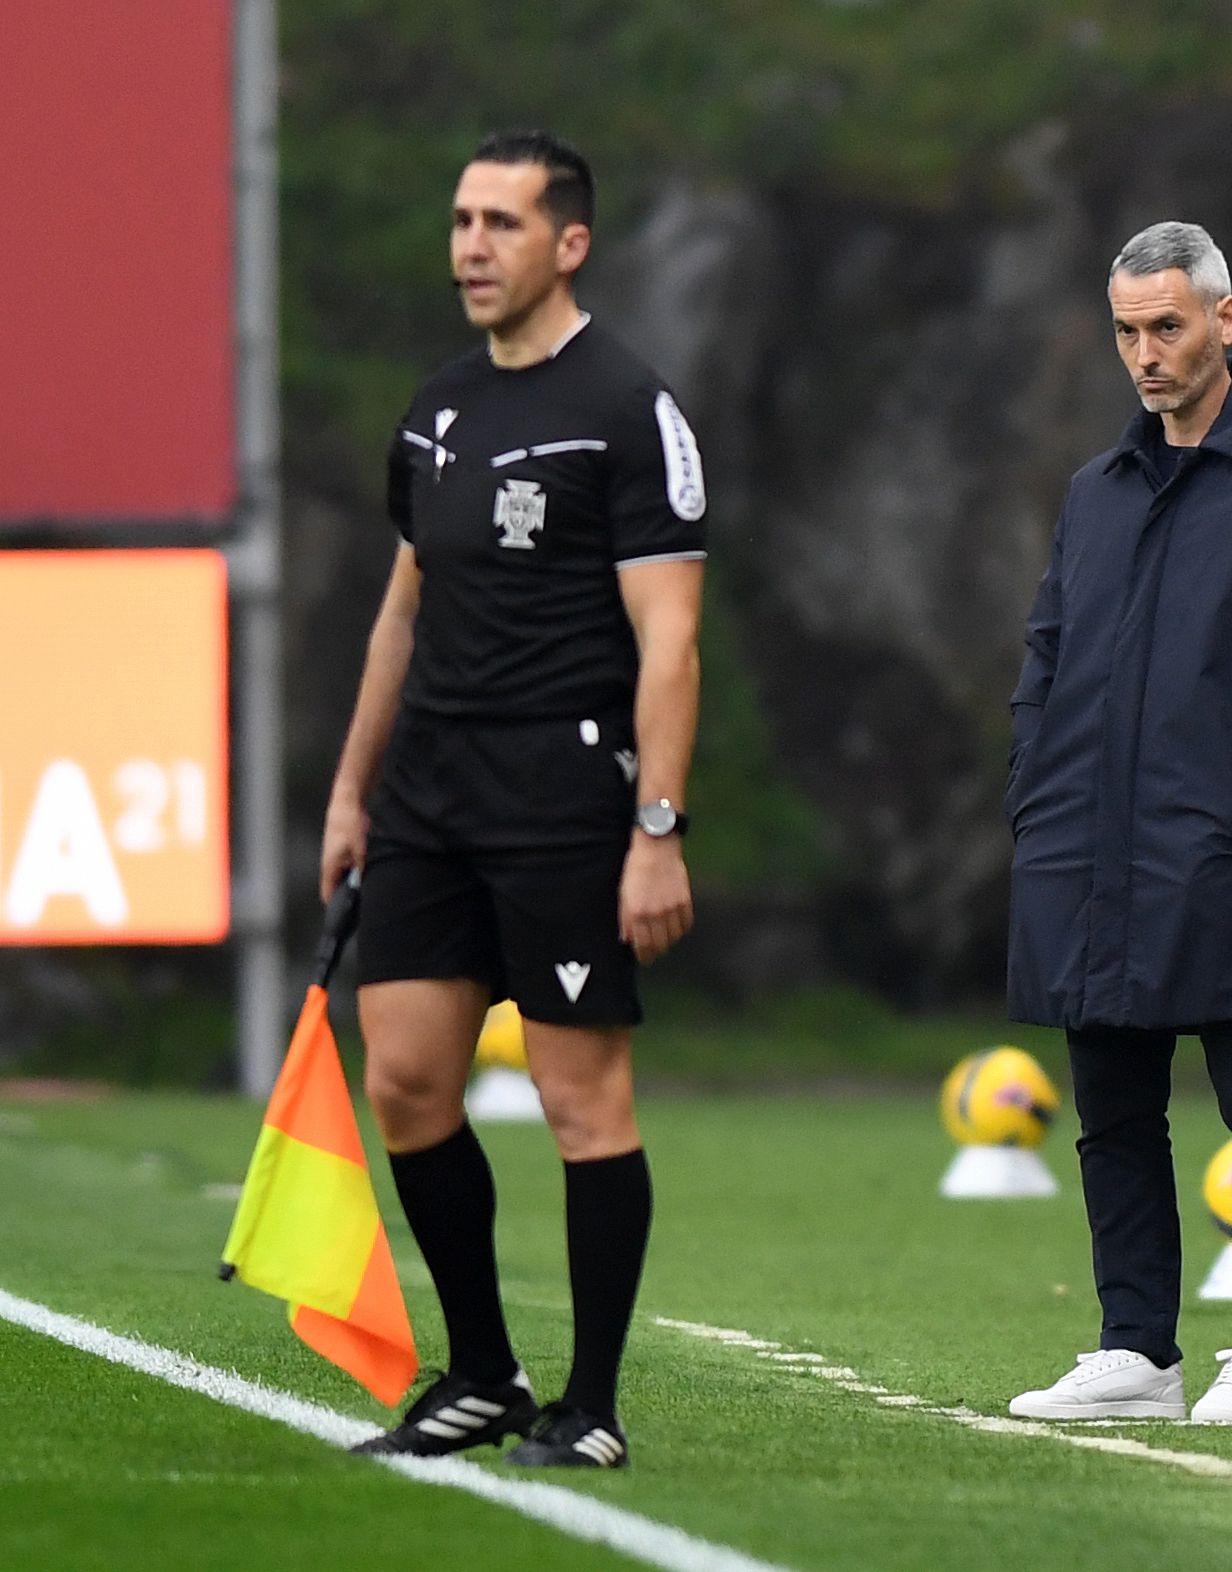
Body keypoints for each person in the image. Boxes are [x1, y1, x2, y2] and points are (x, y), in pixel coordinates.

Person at [323, 130, 707, 1468]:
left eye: (499, 223)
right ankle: (480, 1373)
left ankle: (589, 1407)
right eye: (461, 222)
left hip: (563, 791)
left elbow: (671, 641)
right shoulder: (434, 409)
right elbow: (398, 614)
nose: (471, 247)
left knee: (577, 1099)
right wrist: (351, 790)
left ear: (569, 243)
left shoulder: (627, 407)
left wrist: (655, 829)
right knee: (409, 1083)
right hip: (428, 789)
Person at [1002, 222, 1232, 1428]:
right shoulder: (1094, 491)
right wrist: (1033, 777)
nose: (1146, 354)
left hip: (1224, 834)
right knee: (1111, 1104)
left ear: (1225, 320)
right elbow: (1047, 652)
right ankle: (1135, 1350)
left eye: (1166, 326)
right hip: (1086, 839)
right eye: (1126, 331)